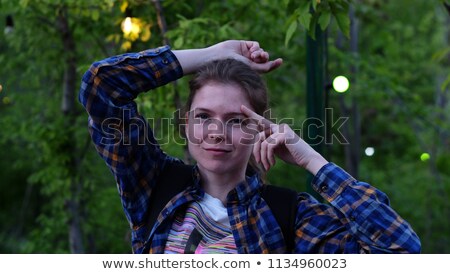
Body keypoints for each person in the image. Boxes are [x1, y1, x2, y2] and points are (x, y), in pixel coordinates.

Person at [79, 40, 421, 254]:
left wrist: (313, 161)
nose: (216, 133)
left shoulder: (289, 216)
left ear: (259, 129)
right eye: (203, 116)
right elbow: (102, 85)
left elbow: (399, 250)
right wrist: (212, 55)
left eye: (235, 120)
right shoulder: (154, 184)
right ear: (185, 122)